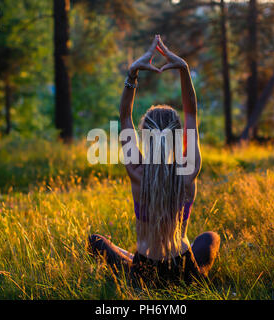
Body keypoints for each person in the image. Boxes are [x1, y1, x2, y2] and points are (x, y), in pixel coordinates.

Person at [88, 35, 220, 287]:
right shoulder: (188, 169)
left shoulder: (137, 171)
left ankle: (129, 260)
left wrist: (132, 73)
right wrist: (184, 70)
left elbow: (124, 116)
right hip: (184, 270)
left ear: (144, 136)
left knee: (97, 240)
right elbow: (191, 111)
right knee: (209, 238)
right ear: (178, 136)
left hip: (143, 272)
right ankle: (191, 275)